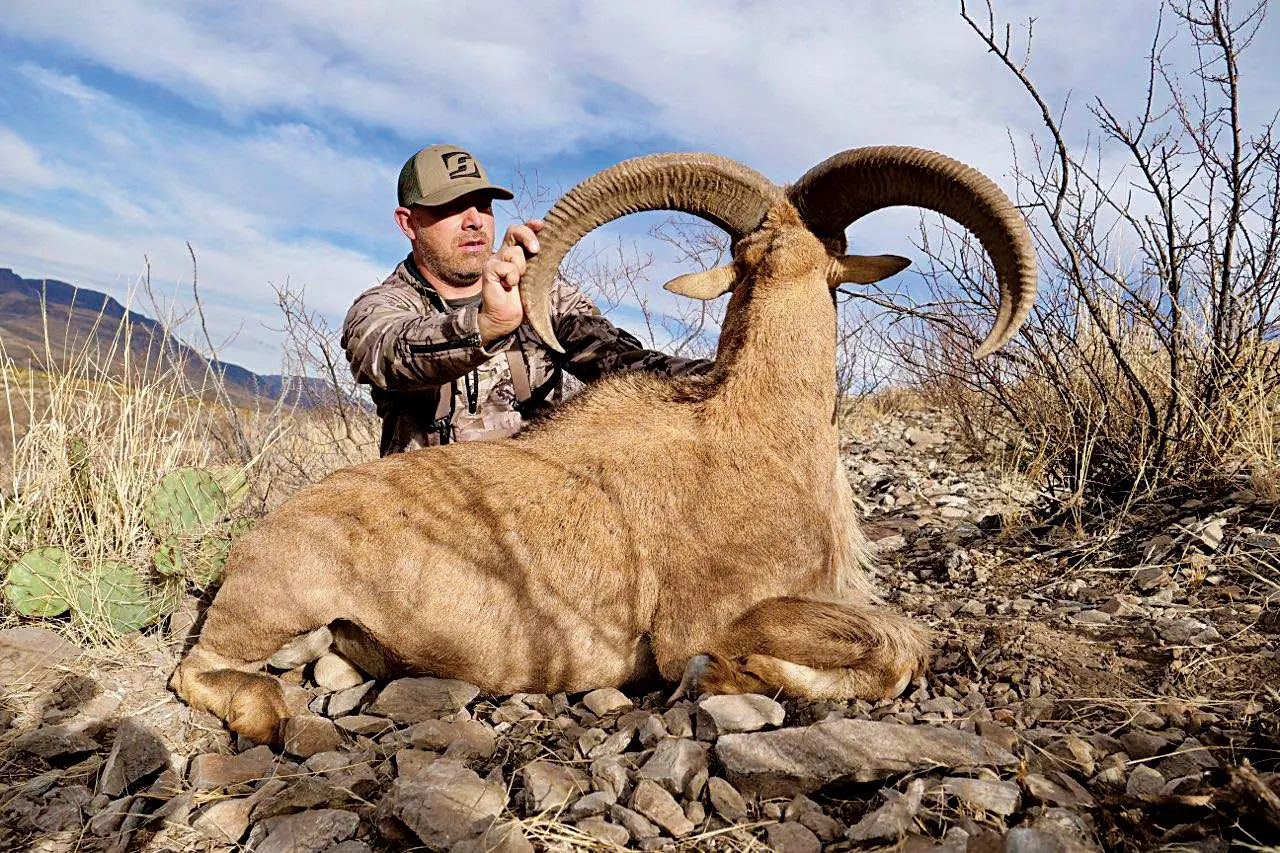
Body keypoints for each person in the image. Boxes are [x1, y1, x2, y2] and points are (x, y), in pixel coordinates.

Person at [342, 144, 711, 456]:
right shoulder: (380, 308)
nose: (474, 221)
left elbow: (621, 363)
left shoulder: (542, 293)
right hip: (418, 516)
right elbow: (387, 351)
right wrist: (485, 327)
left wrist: (728, 374)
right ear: (408, 223)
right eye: (450, 207)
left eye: (483, 205)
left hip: (529, 509)